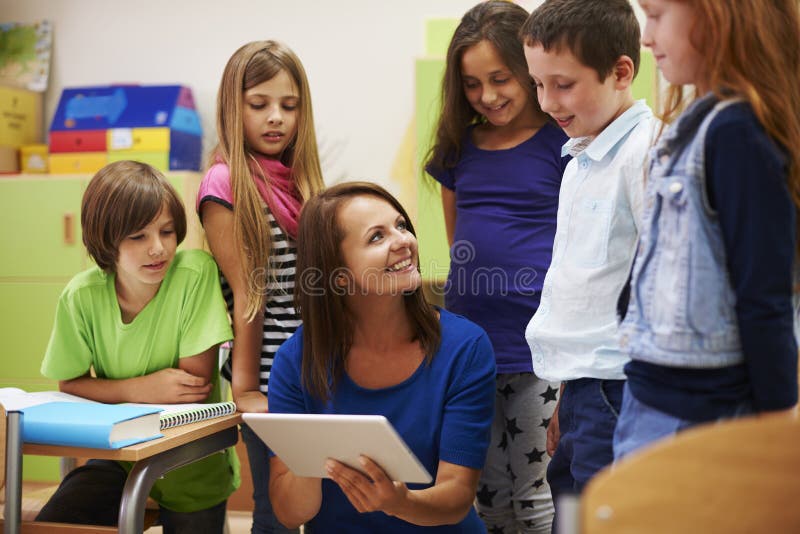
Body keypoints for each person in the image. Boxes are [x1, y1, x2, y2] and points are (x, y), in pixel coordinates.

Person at [613, 0, 800, 459]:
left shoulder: (737, 133)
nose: (645, 37)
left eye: (656, 15)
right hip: (653, 392)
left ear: (718, 16)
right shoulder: (698, 126)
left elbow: (763, 296)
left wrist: (778, 433)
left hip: (702, 413)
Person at [266, 182, 496, 533]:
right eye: (377, 237)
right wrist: (309, 458)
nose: (403, 240)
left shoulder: (465, 347)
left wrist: (400, 504)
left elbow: (457, 496)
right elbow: (290, 513)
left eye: (401, 226)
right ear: (340, 277)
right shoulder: (294, 361)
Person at [424, 2, 567, 531]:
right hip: (472, 346)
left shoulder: (563, 142)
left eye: (499, 78)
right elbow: (459, 243)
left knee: (536, 488)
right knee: (486, 488)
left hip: (540, 347)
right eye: (471, 84)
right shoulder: (459, 149)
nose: (487, 95)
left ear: (529, 69)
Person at [36, 160, 238, 533]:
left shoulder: (194, 272)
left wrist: (110, 392)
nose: (158, 249)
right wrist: (138, 388)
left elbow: (188, 390)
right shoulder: (80, 296)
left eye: (167, 231)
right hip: (119, 456)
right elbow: (69, 383)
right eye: (138, 237)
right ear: (105, 239)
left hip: (190, 460)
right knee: (55, 522)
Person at [520, 0, 658, 510]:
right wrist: (564, 390)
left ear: (621, 72)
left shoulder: (646, 151)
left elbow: (658, 281)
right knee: (572, 507)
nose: (547, 101)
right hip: (583, 384)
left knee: (605, 514)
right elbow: (583, 295)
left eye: (563, 84)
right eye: (538, 83)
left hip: (623, 388)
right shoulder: (580, 158)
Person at [197, 40, 324, 533]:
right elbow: (248, 296)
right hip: (270, 378)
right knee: (275, 515)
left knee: (324, 505)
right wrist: (246, 390)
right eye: (259, 105)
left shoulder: (301, 181)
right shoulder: (224, 184)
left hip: (317, 367)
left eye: (289, 106)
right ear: (235, 106)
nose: (276, 118)